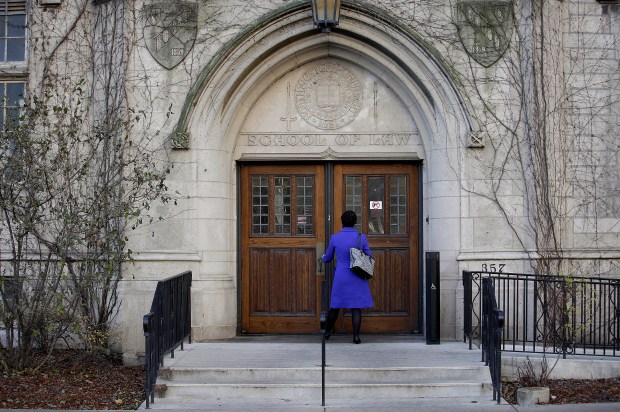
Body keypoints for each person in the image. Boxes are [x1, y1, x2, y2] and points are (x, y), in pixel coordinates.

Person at [321, 210, 374, 344]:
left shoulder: (335, 237)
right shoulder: (361, 237)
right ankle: (356, 337)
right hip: (357, 274)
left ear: (342, 222)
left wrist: (322, 258)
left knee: (335, 306)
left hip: (342, 275)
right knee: (356, 307)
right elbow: (369, 256)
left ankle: (327, 332)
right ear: (355, 222)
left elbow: (327, 258)